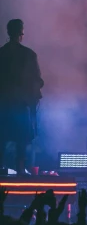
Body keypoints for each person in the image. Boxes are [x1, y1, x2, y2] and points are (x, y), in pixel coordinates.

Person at [0, 19, 44, 174]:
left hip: (3, 108)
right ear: (21, 33)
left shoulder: (1, 54)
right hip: (21, 107)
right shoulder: (28, 55)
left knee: (2, 141)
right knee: (22, 142)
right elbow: (36, 81)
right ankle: (20, 171)